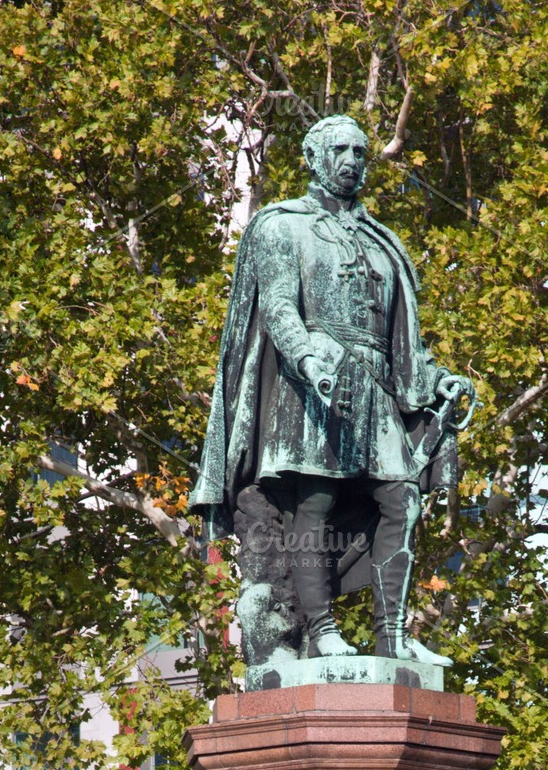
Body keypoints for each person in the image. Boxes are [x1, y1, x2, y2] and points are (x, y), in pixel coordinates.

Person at [191, 114, 474, 662]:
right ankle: (321, 632)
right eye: (339, 150)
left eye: (360, 152)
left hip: (374, 386)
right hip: (312, 381)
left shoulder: (382, 242)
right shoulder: (281, 225)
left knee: (403, 497)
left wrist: (438, 380)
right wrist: (306, 359)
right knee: (314, 501)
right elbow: (276, 306)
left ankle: (391, 635)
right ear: (313, 157)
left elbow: (405, 343)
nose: (351, 161)